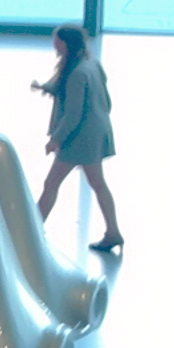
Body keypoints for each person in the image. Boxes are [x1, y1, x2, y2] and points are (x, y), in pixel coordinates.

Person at [35, 23, 125, 253]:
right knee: (98, 184)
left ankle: (32, 230)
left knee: (51, 183)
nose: (54, 44)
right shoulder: (90, 64)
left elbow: (73, 114)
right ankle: (112, 231)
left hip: (80, 139)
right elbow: (104, 98)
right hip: (95, 134)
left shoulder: (76, 73)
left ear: (65, 43)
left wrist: (56, 138)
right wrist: (46, 87)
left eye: (57, 41)